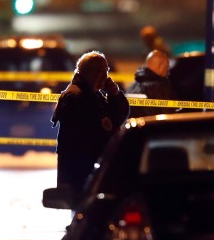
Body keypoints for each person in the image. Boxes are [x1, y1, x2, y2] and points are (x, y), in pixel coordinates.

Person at [51, 51, 131, 194]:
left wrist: (115, 95)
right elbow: (101, 128)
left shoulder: (92, 94)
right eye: (103, 72)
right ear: (91, 73)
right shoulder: (75, 97)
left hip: (90, 171)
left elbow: (116, 119)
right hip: (81, 175)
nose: (106, 77)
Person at [126, 50, 178, 117]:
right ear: (160, 66)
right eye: (167, 67)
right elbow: (169, 117)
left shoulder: (132, 87)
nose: (168, 71)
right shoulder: (161, 88)